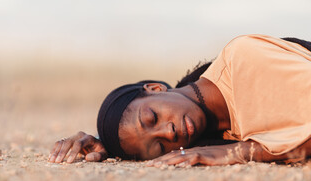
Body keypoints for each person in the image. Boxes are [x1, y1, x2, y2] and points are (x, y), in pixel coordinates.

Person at [48, 34, 311, 167]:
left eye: (152, 117)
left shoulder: (243, 60)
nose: (169, 132)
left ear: (155, 88)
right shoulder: (222, 134)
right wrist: (108, 145)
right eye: (160, 147)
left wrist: (242, 152)